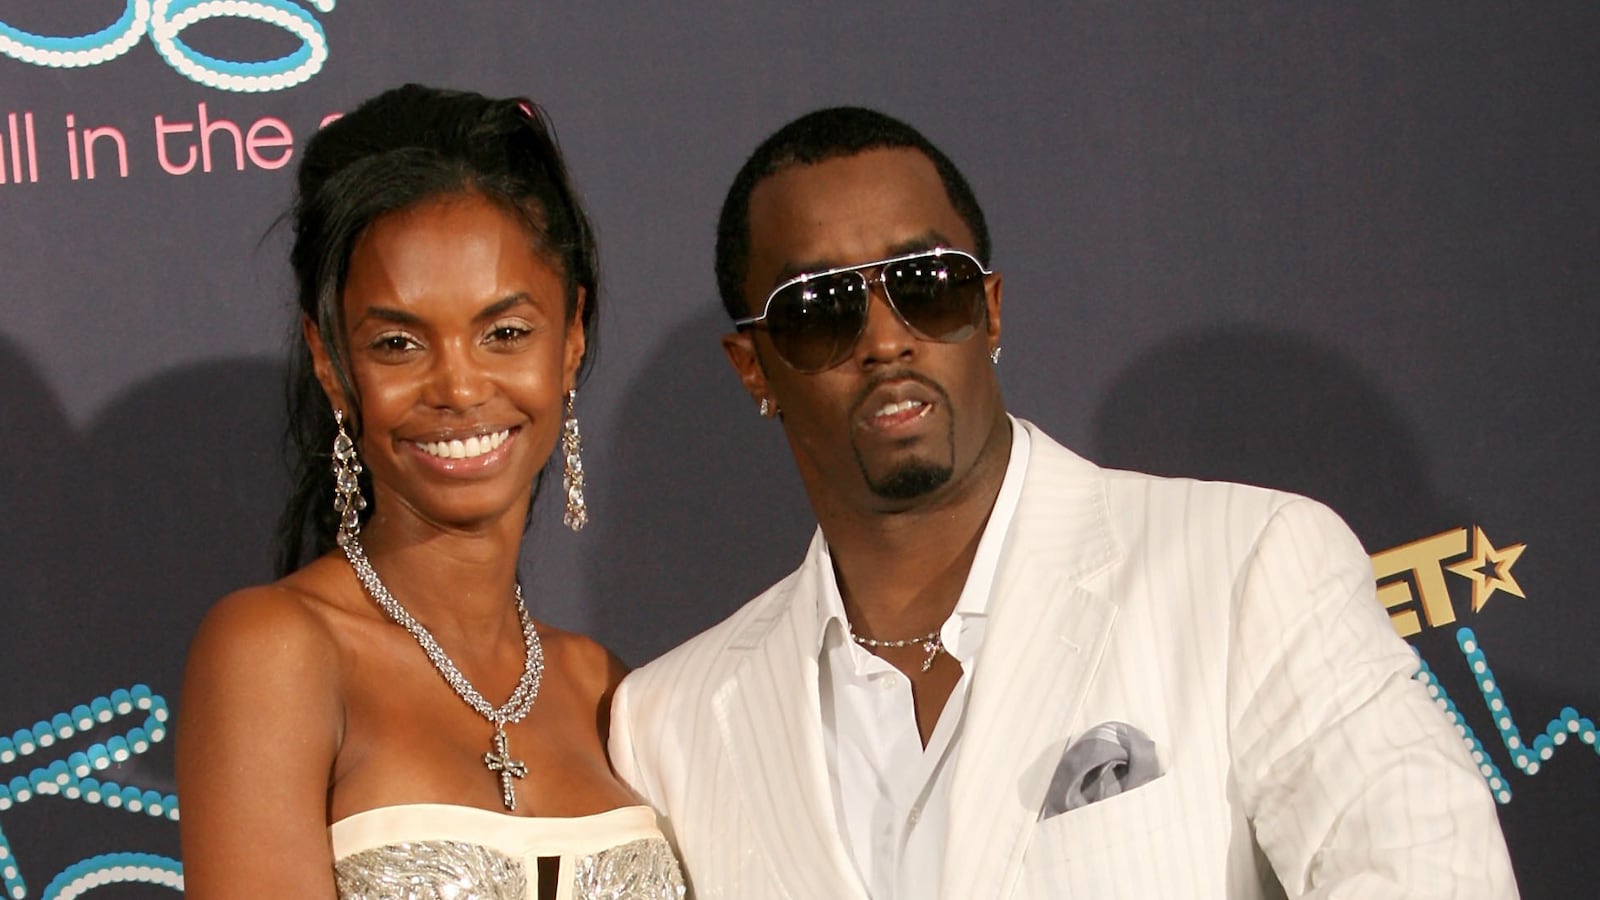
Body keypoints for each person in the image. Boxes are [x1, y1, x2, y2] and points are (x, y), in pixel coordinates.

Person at [607, 107, 1518, 899]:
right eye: (821, 308)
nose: (886, 338)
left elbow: (1429, 873)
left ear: (990, 310)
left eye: (929, 284)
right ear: (753, 367)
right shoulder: (672, 723)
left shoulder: (1246, 564)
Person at [176, 84, 685, 899]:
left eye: (505, 333)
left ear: (572, 336)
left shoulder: (607, 689)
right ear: (329, 360)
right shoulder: (275, 651)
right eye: (398, 343)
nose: (457, 385)